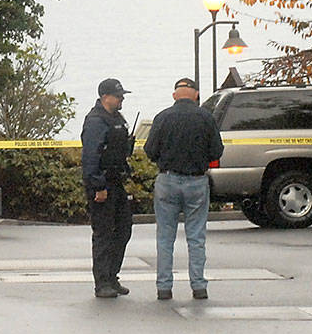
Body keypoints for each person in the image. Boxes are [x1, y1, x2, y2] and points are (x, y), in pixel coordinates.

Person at [143, 77, 224, 301]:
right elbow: (217, 151)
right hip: (197, 181)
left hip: (167, 180)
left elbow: (150, 150)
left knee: (165, 237)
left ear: (174, 96)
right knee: (196, 237)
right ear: (196, 95)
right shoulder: (206, 118)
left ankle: (164, 287)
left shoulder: (163, 117)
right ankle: (198, 286)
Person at [80, 77, 135, 298]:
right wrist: (97, 186)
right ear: (105, 97)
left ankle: (112, 276)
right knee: (103, 233)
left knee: (123, 228)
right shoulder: (95, 121)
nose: (122, 99)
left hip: (117, 181)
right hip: (102, 183)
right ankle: (102, 282)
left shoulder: (115, 118)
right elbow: (91, 156)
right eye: (118, 96)